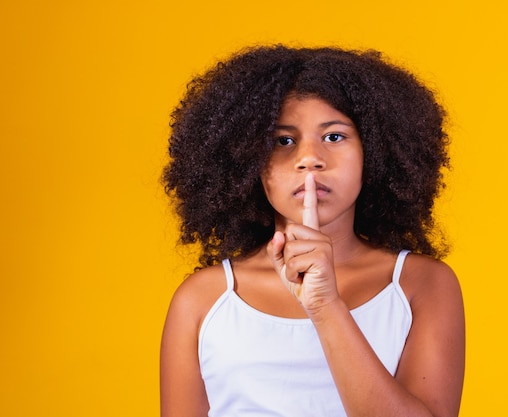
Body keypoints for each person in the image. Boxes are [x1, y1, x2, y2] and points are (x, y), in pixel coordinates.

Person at [160, 45, 465, 417]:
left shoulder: (421, 285)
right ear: (247, 160)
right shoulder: (204, 300)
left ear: (375, 151)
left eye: (334, 136)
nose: (310, 158)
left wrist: (325, 306)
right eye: (282, 140)